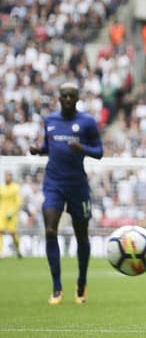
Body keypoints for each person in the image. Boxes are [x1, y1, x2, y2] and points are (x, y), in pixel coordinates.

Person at [29, 82, 104, 305]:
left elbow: (99, 152)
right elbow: (49, 147)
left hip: (77, 185)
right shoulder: (50, 121)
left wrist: (82, 149)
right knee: (50, 230)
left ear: (77, 99)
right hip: (53, 183)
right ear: (59, 99)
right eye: (65, 96)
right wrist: (39, 150)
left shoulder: (87, 122)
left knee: (81, 235)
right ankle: (56, 287)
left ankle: (81, 283)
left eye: (72, 96)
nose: (69, 99)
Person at [0, 172, 23, 259]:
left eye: (9, 176)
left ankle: (18, 250)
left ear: (11, 177)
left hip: (11, 214)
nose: (7, 178)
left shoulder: (16, 188)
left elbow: (18, 202)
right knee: (0, 231)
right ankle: (1, 252)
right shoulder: (2, 188)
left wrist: (13, 212)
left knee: (13, 233)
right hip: (2, 213)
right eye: (6, 176)